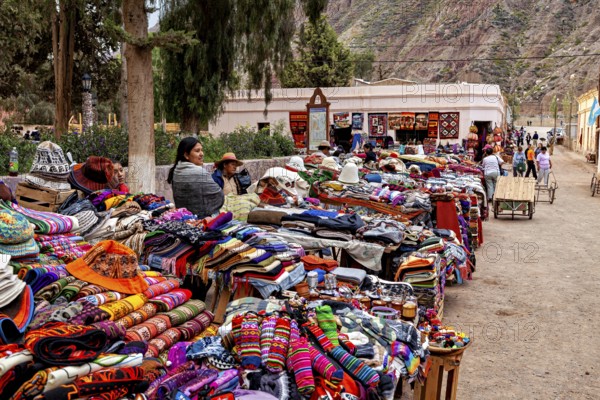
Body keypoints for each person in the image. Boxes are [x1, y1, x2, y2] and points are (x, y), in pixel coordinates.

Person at [167, 137, 223, 219]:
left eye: (201, 150)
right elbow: (219, 196)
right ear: (186, 155)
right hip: (200, 219)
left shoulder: (176, 170)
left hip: (182, 217)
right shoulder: (200, 172)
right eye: (197, 151)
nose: (202, 154)